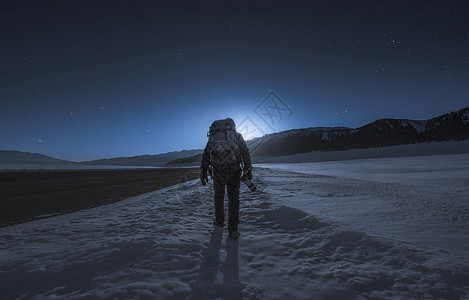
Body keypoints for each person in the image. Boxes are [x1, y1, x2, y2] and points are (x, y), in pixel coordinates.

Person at [200, 118, 253, 239]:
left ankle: (219, 222)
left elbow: (206, 153)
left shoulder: (212, 137)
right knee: (233, 199)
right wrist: (248, 169)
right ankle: (233, 231)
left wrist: (203, 170)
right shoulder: (236, 135)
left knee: (218, 196)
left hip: (218, 171)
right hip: (233, 170)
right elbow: (245, 152)